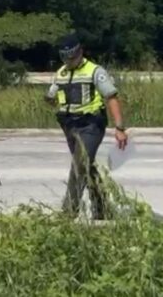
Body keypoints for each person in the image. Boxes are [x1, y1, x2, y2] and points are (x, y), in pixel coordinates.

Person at [44, 32, 128, 220]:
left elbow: (111, 97)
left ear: (80, 52)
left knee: (79, 165)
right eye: (65, 58)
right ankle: (102, 209)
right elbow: (51, 95)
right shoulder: (61, 72)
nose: (69, 61)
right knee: (86, 167)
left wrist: (119, 128)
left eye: (72, 57)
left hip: (91, 125)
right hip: (69, 125)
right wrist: (51, 99)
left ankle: (69, 212)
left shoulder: (95, 71)